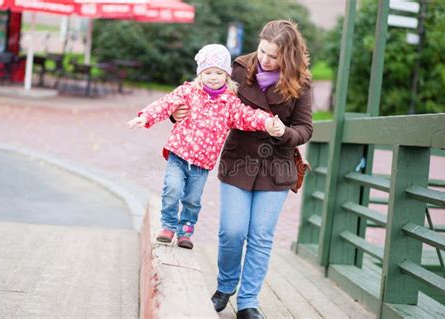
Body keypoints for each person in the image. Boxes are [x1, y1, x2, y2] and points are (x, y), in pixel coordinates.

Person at [171, 20, 313, 319]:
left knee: (260, 235)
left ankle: (248, 302)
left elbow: (305, 128)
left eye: (274, 56)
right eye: (263, 51)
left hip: (277, 165)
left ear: (288, 57)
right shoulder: (237, 68)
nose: (265, 59)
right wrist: (177, 114)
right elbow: (204, 99)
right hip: (239, 161)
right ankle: (225, 287)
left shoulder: (300, 81)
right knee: (232, 232)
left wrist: (283, 133)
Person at [127, 44, 285, 250]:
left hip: (202, 162)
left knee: (192, 199)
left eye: (219, 73)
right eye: (208, 72)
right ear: (200, 74)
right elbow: (165, 103)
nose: (213, 77)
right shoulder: (188, 92)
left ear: (226, 75)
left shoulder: (229, 103)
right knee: (172, 189)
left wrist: (267, 122)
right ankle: (168, 226)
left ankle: (186, 230)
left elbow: (246, 115)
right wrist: (146, 116)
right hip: (179, 153)